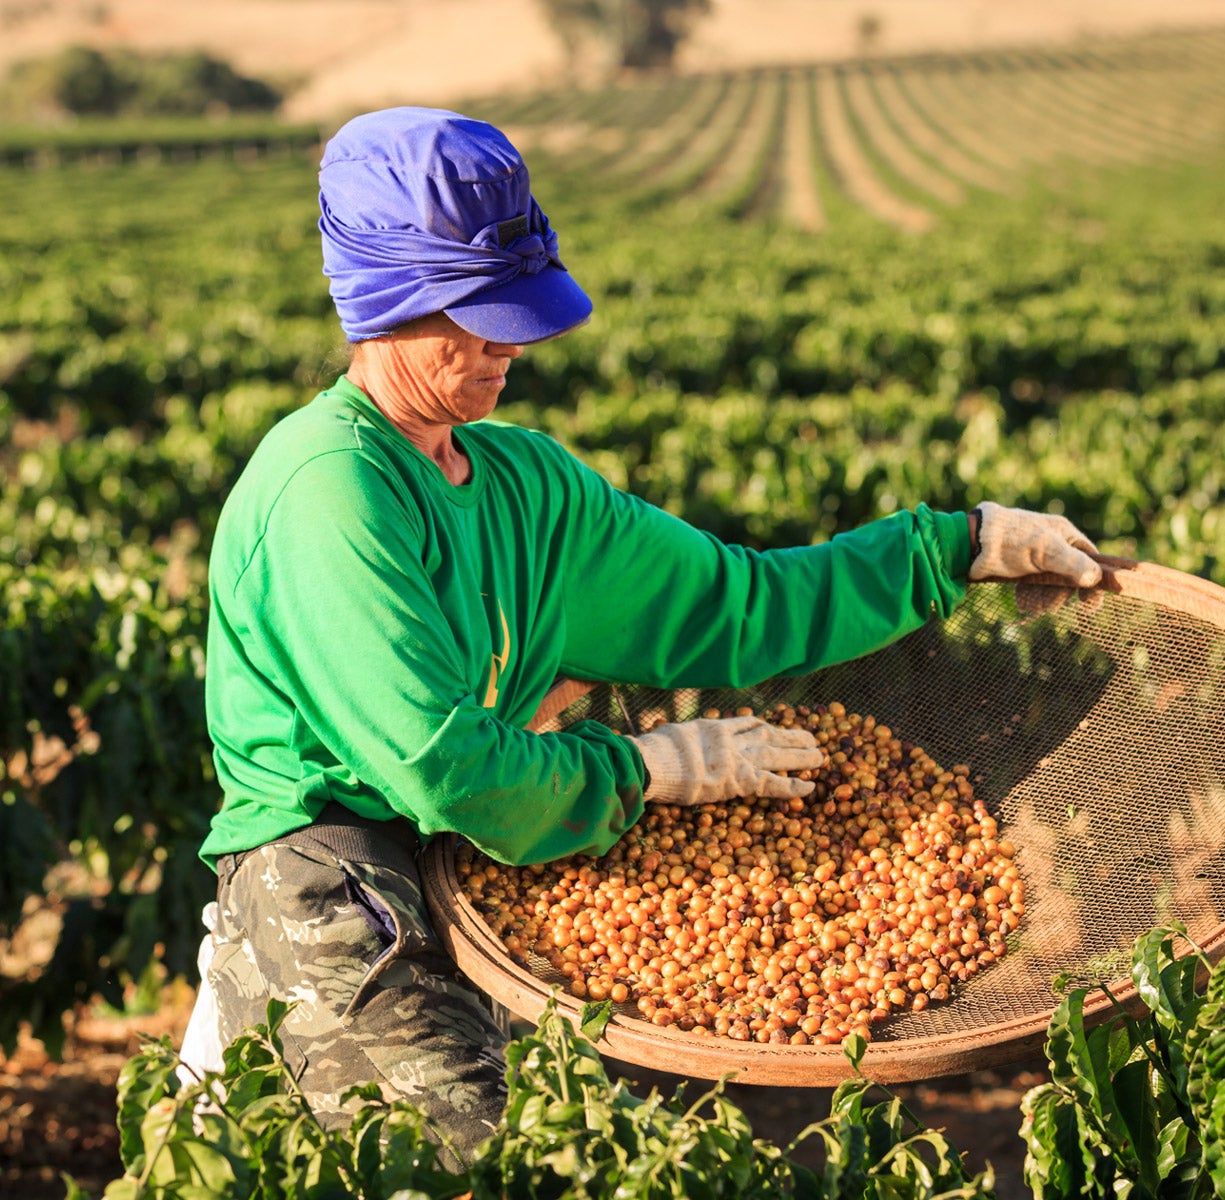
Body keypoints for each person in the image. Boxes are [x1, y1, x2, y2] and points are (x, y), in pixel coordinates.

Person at [175, 106, 1101, 1159]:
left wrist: (957, 546)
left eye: (511, 317)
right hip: (333, 877)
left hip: (481, 862)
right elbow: (443, 767)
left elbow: (739, 605)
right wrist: (651, 769)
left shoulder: (527, 486)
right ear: (387, 301)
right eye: (472, 320)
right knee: (494, 1163)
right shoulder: (330, 489)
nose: (504, 350)